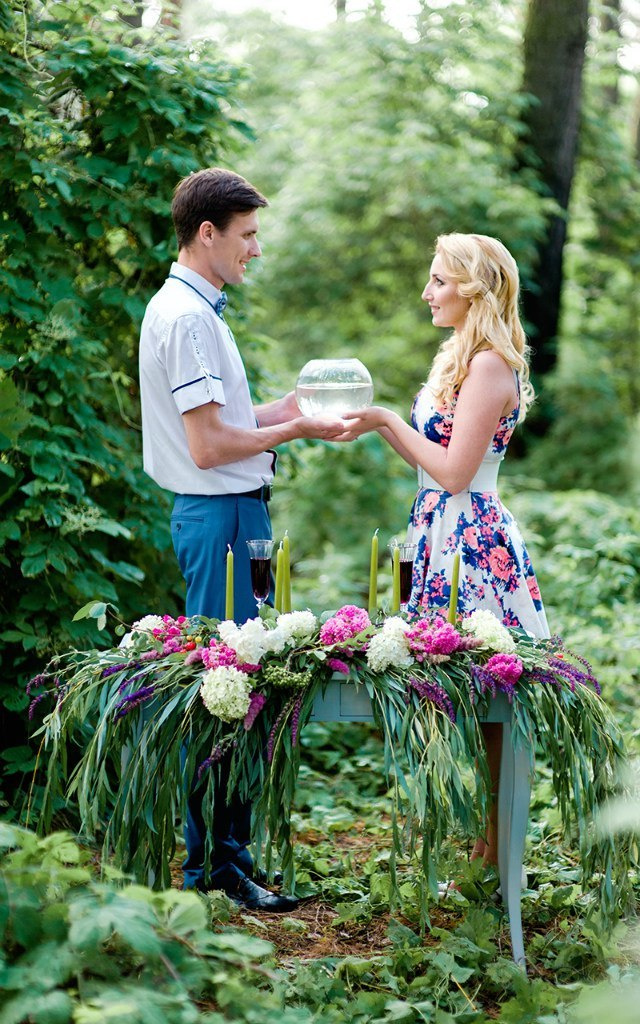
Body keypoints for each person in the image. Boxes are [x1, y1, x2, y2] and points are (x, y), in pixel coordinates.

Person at [139, 166, 344, 910]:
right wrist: (298, 430)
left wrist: (284, 408)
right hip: (218, 515)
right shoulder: (186, 318)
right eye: (247, 235)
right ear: (208, 233)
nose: (255, 249)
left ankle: (229, 858)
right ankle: (214, 868)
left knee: (245, 680)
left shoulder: (197, 309)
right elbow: (207, 448)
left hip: (236, 515)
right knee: (228, 688)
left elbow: (225, 423)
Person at [339, 232, 549, 868]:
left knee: (492, 697)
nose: (427, 292)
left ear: (474, 288)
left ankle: (499, 853)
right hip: (433, 531)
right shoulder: (458, 355)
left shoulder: (489, 365)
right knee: (458, 693)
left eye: (439, 280)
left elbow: (456, 473)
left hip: (472, 542)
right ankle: (481, 844)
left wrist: (384, 420)